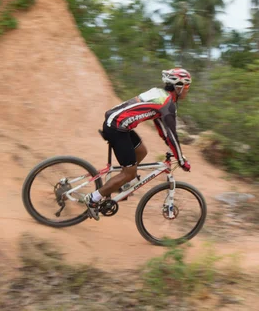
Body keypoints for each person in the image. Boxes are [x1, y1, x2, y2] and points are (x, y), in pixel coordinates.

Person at [82, 68, 193, 220]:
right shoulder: (168, 104)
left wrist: (174, 150)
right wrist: (181, 160)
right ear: (178, 86)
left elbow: (163, 130)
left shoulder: (160, 95)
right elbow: (172, 136)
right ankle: (93, 199)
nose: (187, 90)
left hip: (118, 123)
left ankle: (120, 185)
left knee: (141, 151)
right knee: (130, 173)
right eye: (186, 86)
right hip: (117, 127)